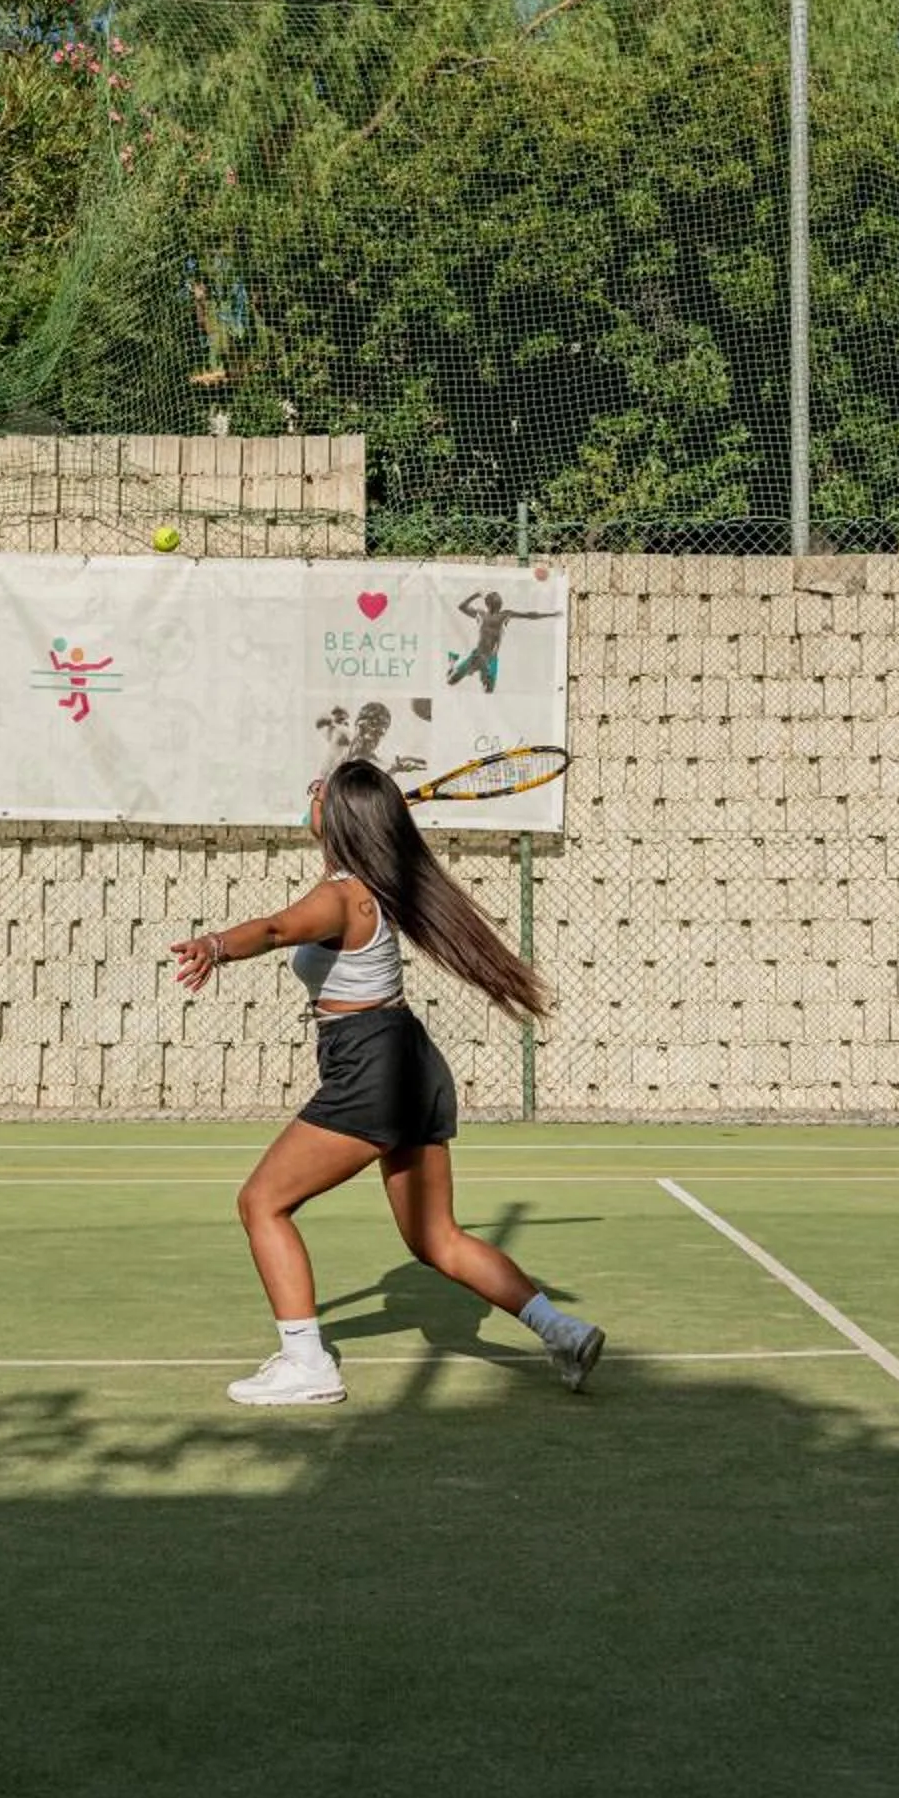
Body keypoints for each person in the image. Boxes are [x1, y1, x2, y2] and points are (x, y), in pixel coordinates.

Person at [168, 760, 605, 1406]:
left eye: (319, 790)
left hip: (370, 1064)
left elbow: (275, 929)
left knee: (262, 1202)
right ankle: (561, 1330)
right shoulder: (376, 883)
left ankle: (306, 1364)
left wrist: (214, 943)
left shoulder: (344, 893)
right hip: (410, 1060)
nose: (309, 793)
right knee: (436, 1239)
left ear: (340, 816)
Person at [447, 589, 559, 695]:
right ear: (489, 604)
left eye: (499, 602)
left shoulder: (505, 615)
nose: (499, 604)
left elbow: (530, 615)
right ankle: (453, 660)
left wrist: (551, 614)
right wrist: (476, 594)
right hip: (476, 656)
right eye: (496, 602)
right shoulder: (481, 614)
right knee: (450, 681)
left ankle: (481, 675)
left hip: (491, 659)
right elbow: (461, 607)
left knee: (489, 691)